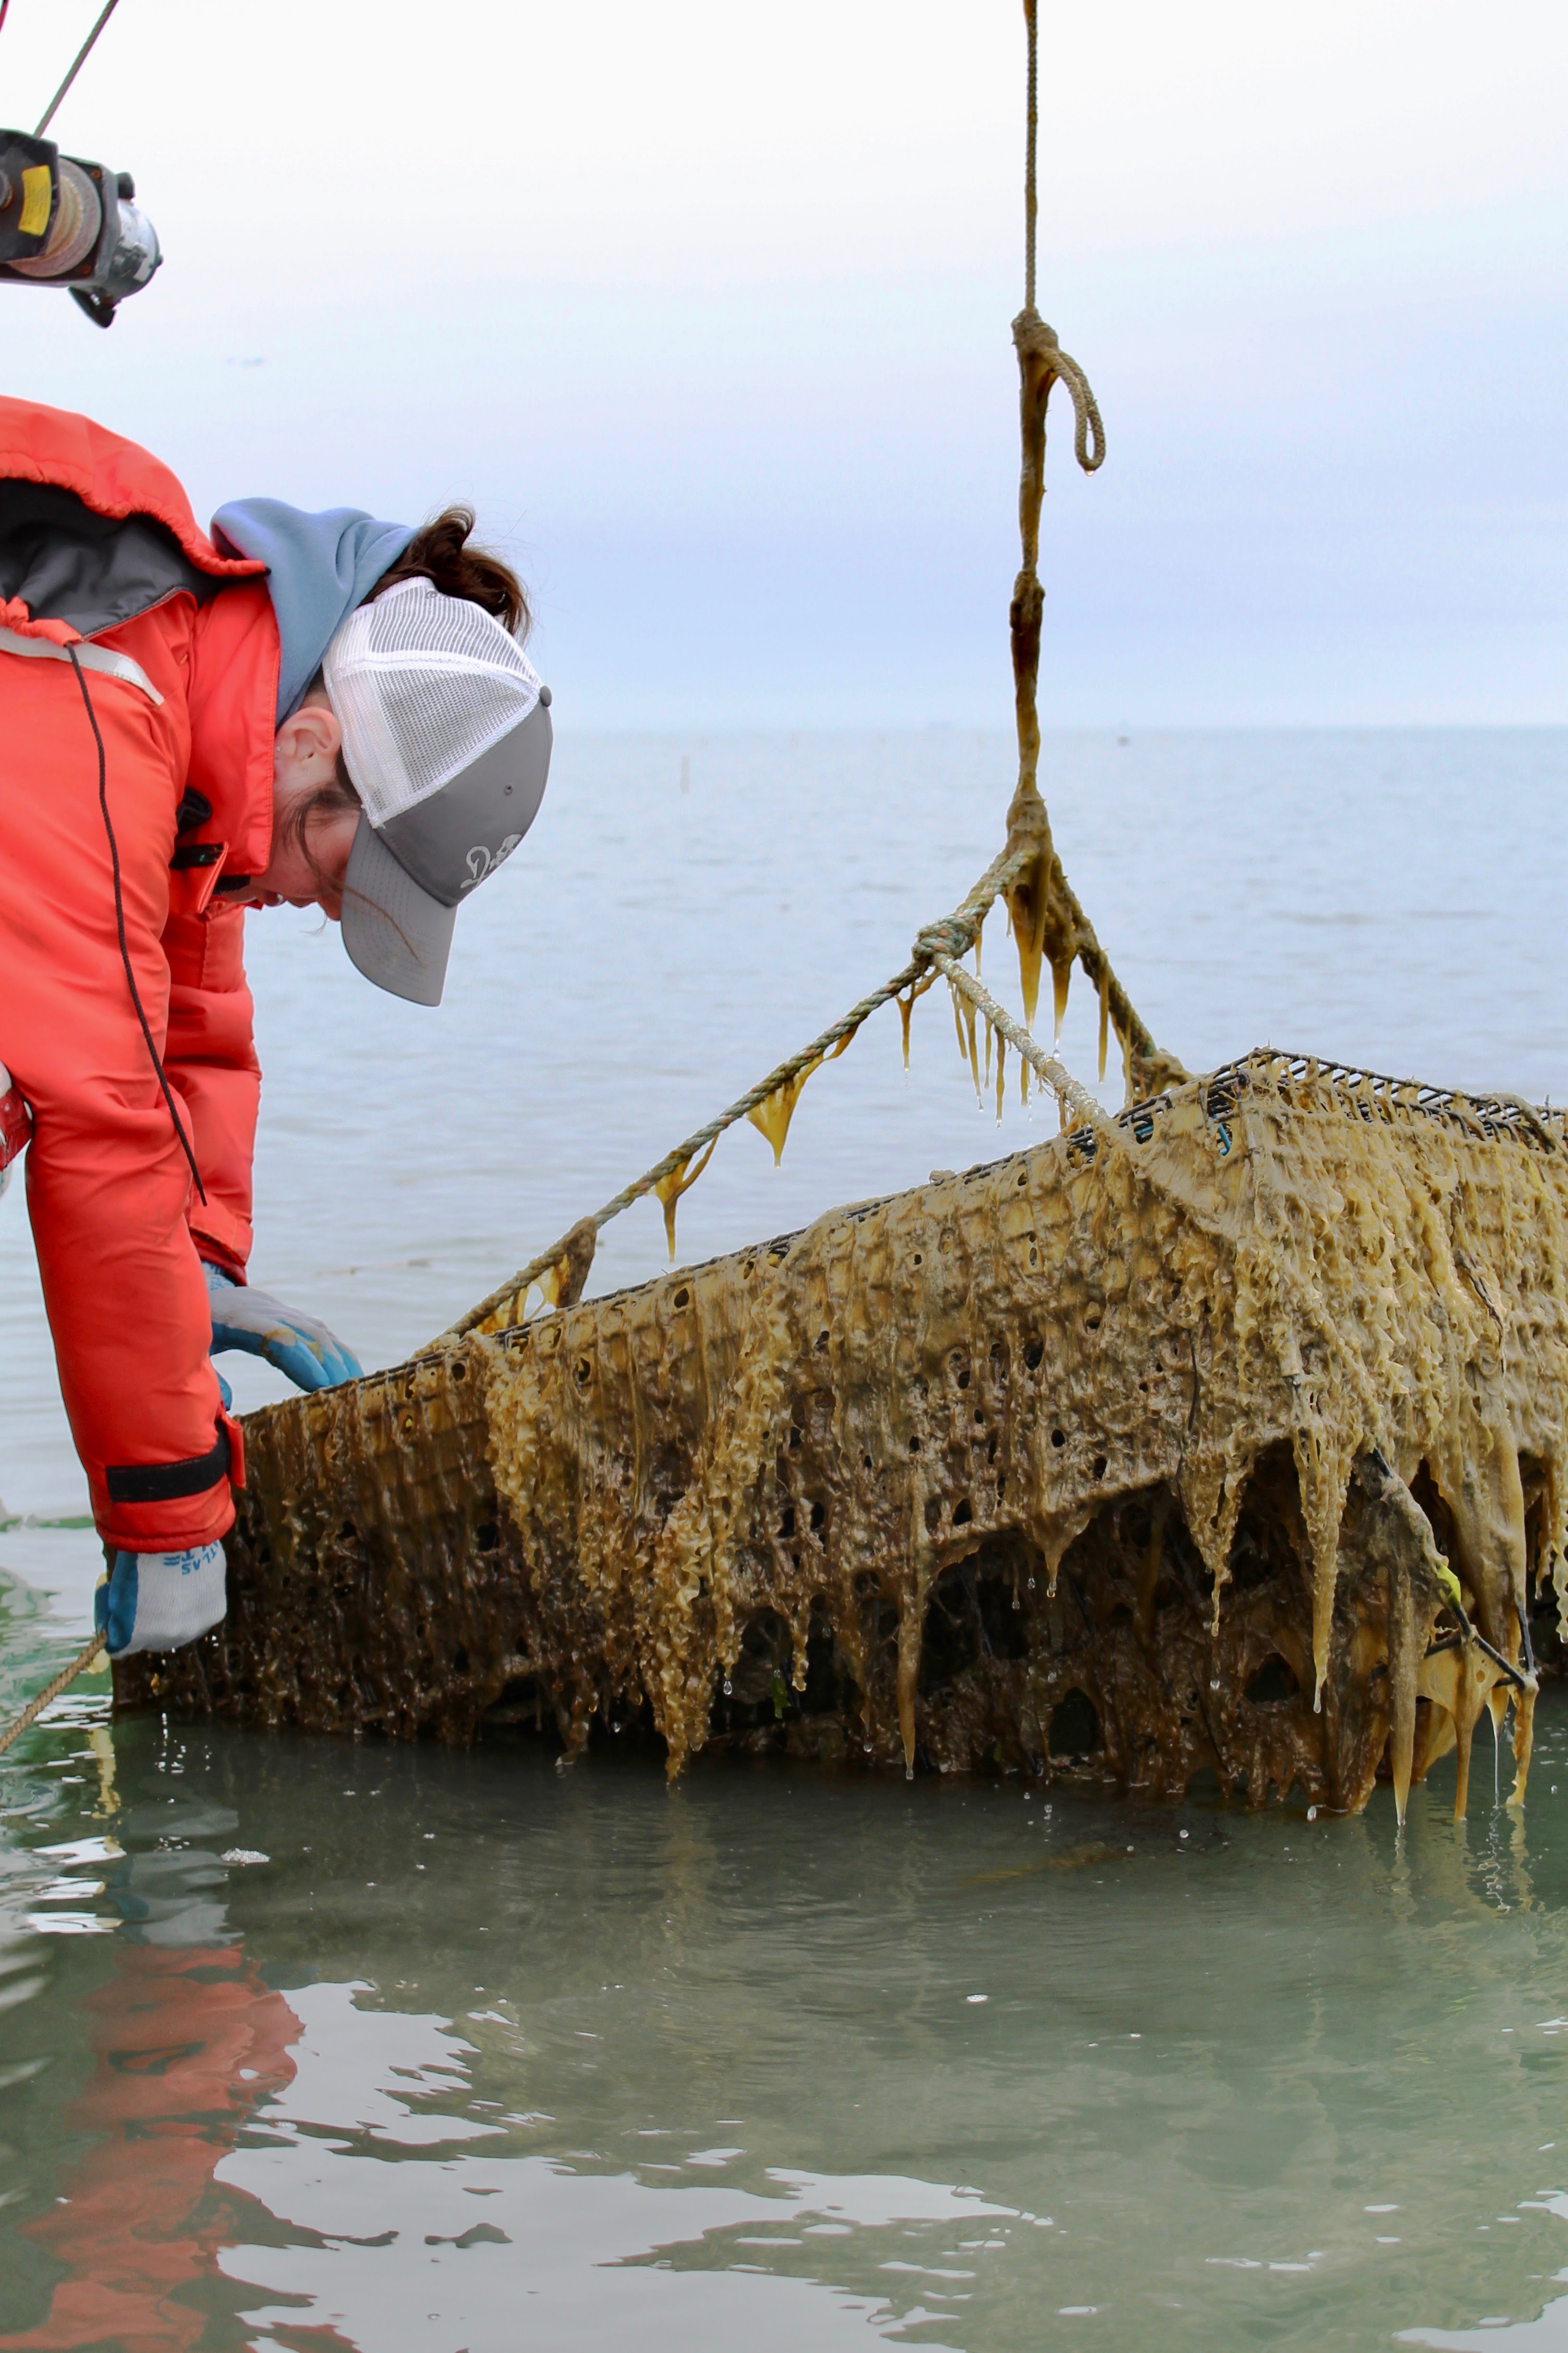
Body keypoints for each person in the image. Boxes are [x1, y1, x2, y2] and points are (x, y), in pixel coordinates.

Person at [0, 396, 552, 1661]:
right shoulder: (105, 686)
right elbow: (100, 1109)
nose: (310, 903)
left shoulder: (193, 737)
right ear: (309, 743)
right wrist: (167, 1518)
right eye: (335, 867)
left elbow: (185, 1033)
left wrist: (195, 1263)